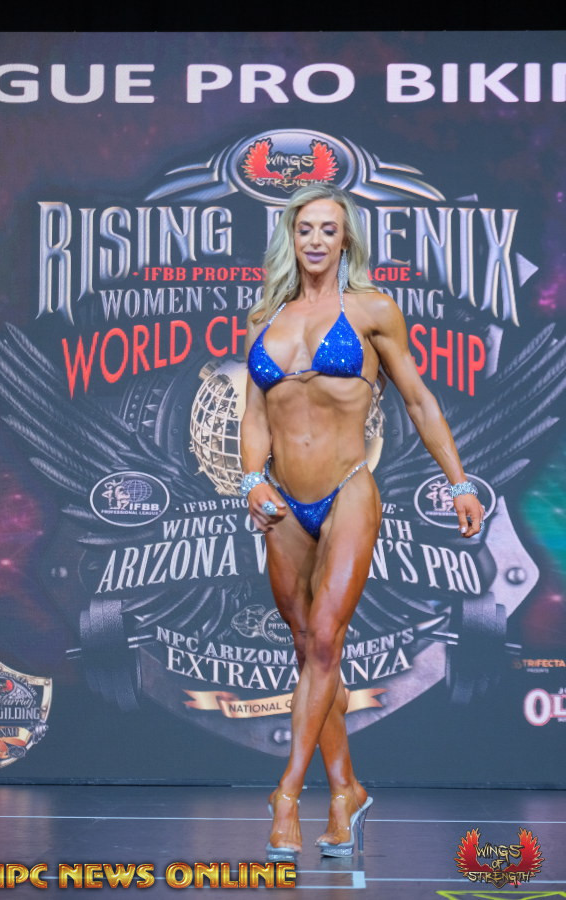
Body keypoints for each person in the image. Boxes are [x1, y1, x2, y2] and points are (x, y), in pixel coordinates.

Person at [239, 184, 484, 860]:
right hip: (285, 504)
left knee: (324, 640)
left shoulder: (373, 309)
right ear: (291, 238)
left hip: (349, 489)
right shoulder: (265, 318)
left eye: (328, 229)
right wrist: (253, 479)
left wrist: (459, 483)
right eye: (305, 229)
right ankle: (346, 790)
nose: (316, 240)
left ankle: (286, 794)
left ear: (346, 238)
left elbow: (419, 400)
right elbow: (254, 417)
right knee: (309, 654)